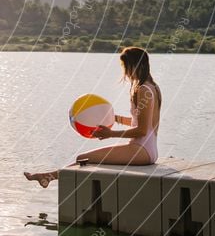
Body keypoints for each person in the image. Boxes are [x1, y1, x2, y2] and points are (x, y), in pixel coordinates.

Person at [24, 46, 162, 188]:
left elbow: (141, 130)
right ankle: (47, 177)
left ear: (133, 65)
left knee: (83, 158)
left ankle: (50, 177)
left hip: (141, 151)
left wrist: (110, 134)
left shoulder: (142, 90)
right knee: (84, 159)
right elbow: (142, 123)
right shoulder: (152, 87)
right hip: (147, 150)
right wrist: (115, 118)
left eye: (125, 66)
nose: (125, 72)